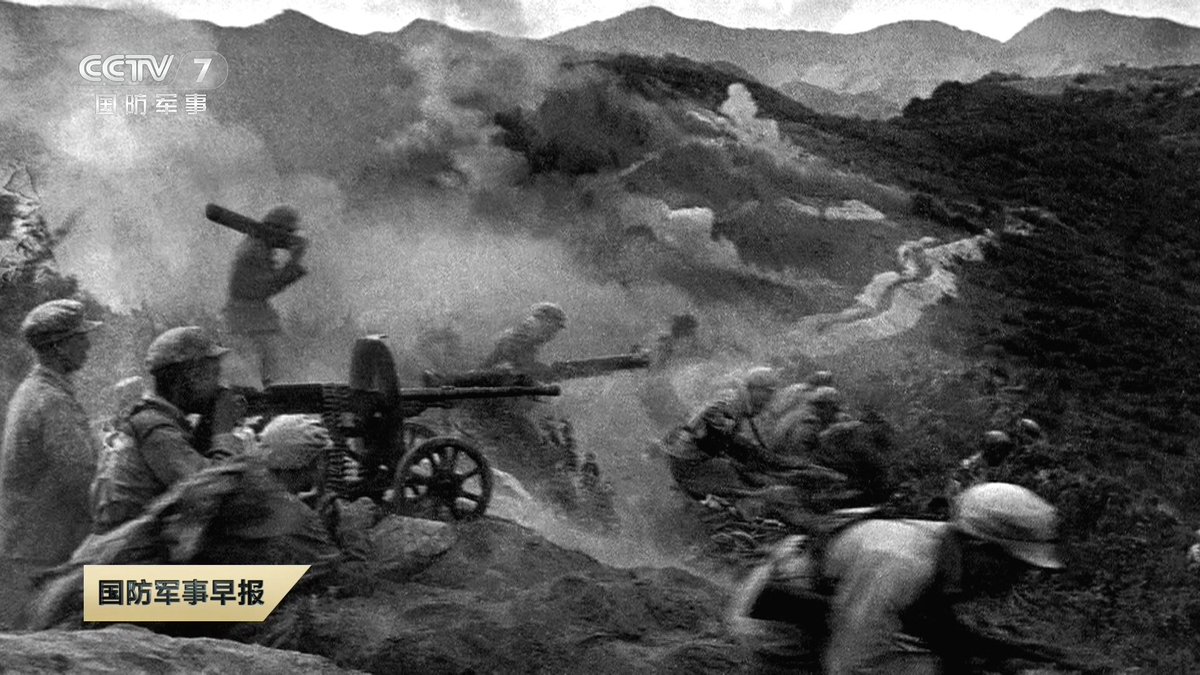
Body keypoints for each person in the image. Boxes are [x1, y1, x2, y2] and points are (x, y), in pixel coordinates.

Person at [730, 482, 1100, 674]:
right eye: (1014, 565)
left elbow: (935, 624)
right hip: (772, 627)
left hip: (824, 614)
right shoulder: (902, 563)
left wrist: (1004, 651)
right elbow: (848, 667)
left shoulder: (943, 547)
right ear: (980, 548)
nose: (1017, 578)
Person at [0, 299, 102, 627]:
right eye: (80, 338)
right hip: (42, 557)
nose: (87, 345)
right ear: (59, 347)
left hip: (29, 549)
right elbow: (80, 481)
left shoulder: (38, 391)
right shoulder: (52, 401)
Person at [90, 326, 245, 534]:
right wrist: (223, 431)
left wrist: (209, 425)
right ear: (192, 376)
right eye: (213, 374)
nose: (220, 385)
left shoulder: (151, 418)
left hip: (133, 541)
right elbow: (216, 494)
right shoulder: (154, 427)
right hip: (132, 549)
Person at [662, 367, 827, 502]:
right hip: (690, 464)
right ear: (755, 389)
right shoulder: (732, 406)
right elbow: (729, 446)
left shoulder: (734, 402)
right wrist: (774, 464)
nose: (769, 399)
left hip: (692, 458)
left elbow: (735, 445)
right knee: (761, 493)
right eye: (768, 392)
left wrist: (777, 463)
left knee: (761, 476)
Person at [222, 205, 308, 387]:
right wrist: (295, 260)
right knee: (255, 380)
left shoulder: (259, 247)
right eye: (288, 232)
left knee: (270, 375)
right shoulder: (254, 251)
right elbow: (265, 288)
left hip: (254, 321)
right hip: (247, 323)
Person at [479, 302, 567, 380]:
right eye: (555, 327)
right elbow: (521, 367)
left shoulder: (529, 339)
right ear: (545, 320)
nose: (553, 334)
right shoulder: (521, 337)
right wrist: (549, 372)